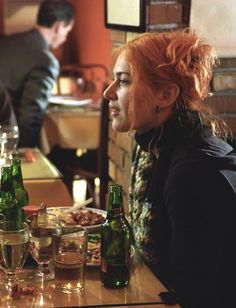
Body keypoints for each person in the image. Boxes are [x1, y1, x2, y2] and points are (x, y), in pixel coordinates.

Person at [103, 29, 236, 308]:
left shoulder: (192, 173)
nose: (108, 92)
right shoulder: (154, 147)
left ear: (166, 95)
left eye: (124, 81)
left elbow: (199, 294)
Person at [0, 0, 75, 147]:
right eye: (67, 31)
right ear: (59, 27)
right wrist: (28, 154)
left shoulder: (6, 41)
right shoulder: (46, 61)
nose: (65, 38)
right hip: (5, 140)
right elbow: (30, 118)